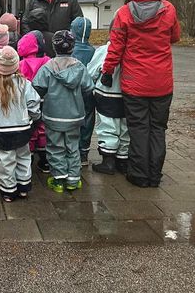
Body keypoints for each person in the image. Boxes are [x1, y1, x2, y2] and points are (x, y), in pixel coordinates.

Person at [100, 0, 180, 188]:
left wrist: (107, 71)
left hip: (134, 83)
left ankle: (138, 175)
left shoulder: (124, 13)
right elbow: (175, 37)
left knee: (138, 128)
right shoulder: (168, 9)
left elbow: (115, 47)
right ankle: (155, 175)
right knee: (158, 128)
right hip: (162, 83)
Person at [33, 30, 94, 193]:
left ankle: (58, 180)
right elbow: (88, 87)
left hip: (53, 116)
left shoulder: (47, 67)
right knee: (73, 146)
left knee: (55, 147)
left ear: (54, 47)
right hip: (74, 116)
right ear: (72, 47)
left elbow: (37, 87)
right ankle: (74, 180)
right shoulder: (79, 67)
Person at [0, 47, 41, 202]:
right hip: (22, 129)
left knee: (6, 160)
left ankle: (9, 191)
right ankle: (23, 186)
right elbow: (33, 104)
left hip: (1, 130)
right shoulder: (24, 83)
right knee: (23, 157)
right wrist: (35, 117)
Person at [87, 40, 129, 175]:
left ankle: (108, 161)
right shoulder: (133, 50)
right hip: (127, 95)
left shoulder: (104, 50)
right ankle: (123, 160)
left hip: (107, 95)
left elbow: (91, 72)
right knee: (124, 127)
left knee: (107, 126)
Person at [17, 30, 51, 172]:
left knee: (30, 129)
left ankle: (28, 157)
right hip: (46, 101)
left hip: (26, 104)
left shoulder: (21, 64)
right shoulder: (48, 61)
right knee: (43, 129)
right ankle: (45, 161)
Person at [70, 16, 96, 166]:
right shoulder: (93, 50)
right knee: (88, 120)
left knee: (72, 121)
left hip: (71, 92)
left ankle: (71, 150)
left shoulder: (70, 49)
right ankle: (83, 152)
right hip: (88, 92)